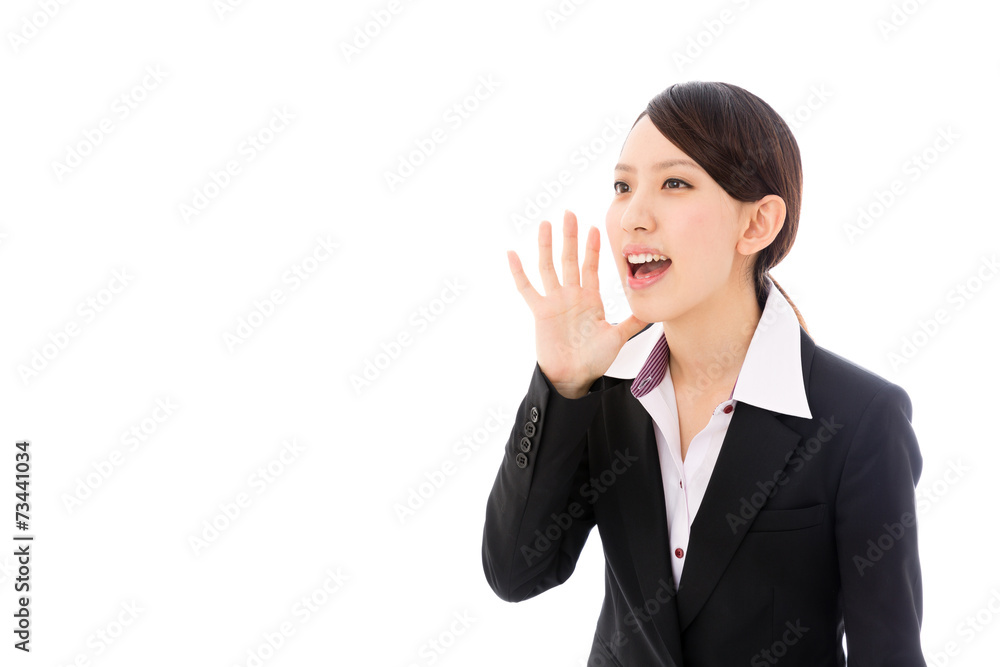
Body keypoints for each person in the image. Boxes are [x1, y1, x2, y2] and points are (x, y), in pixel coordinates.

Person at [481, 81, 926, 666]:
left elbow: (887, 654)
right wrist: (562, 386)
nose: (633, 216)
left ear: (757, 224)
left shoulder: (860, 417)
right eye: (622, 186)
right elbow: (516, 572)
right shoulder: (605, 394)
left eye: (674, 183)